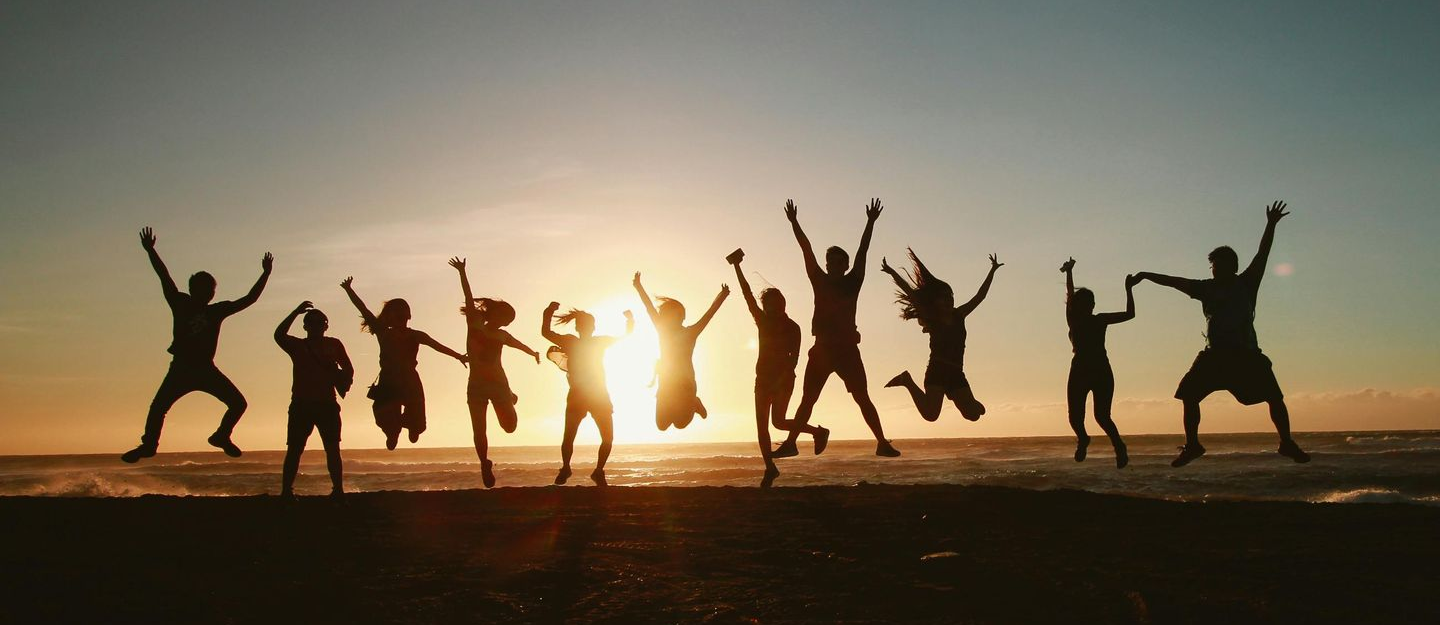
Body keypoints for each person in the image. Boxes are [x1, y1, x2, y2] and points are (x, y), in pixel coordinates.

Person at [1135, 200, 1310, 467]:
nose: (1214, 269)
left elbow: (1263, 253)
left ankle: (1286, 442)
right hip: (1214, 356)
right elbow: (1174, 281)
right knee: (1189, 395)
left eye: (1217, 265)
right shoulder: (1205, 287)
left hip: (1245, 354)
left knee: (1274, 397)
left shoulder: (1247, 283)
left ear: (1232, 266)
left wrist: (1270, 224)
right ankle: (1193, 445)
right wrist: (1147, 275)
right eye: (1213, 266)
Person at [122, 227, 272, 463]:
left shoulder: (217, 310)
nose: (208, 294)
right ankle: (149, 445)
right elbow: (164, 276)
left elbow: (249, 299)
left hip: (205, 369)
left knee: (238, 403)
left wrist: (266, 274)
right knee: (158, 407)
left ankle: (221, 436)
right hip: (181, 368)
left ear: (213, 293)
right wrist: (151, 251)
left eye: (210, 290)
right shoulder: (180, 302)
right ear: (193, 290)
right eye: (203, 289)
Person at [775, 199, 899, 458]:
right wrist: (794, 222)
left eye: (838, 261)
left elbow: (863, 252)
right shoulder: (818, 280)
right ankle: (791, 444)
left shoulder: (853, 282)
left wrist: (870, 222)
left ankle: (881, 442)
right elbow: (805, 249)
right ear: (827, 264)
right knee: (807, 400)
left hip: (846, 351)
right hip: (821, 349)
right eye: (830, 261)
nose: (833, 264)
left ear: (844, 265)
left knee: (862, 398)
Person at [729, 250, 827, 487]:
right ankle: (770, 469)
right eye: (770, 304)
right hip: (762, 379)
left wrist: (782, 378)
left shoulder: (793, 327)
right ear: (767, 306)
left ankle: (817, 432)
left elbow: (795, 359)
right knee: (762, 426)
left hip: (783, 380)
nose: (775, 307)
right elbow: (747, 295)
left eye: (778, 303)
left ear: (784, 303)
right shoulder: (762, 321)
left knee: (779, 422)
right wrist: (737, 267)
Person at [340, 277, 467, 450]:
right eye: (395, 312)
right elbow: (363, 309)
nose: (400, 316)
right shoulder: (383, 332)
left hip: (409, 380)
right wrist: (349, 290)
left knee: (418, 423)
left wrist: (458, 356)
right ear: (389, 317)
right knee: (386, 418)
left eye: (403, 311)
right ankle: (392, 432)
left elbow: (437, 346)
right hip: (388, 380)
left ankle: (412, 427)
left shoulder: (416, 335)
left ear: (409, 316)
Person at [448, 257, 541, 488]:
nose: (507, 324)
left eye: (509, 321)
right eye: (506, 319)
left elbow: (518, 344)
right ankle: (484, 464)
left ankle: (510, 397)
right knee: (479, 429)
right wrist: (462, 272)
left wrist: (533, 353)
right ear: (496, 314)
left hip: (499, 385)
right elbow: (469, 299)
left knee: (510, 427)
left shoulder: (502, 336)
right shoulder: (474, 325)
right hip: (476, 386)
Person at [881, 250, 1001, 423]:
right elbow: (911, 294)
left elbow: (979, 296)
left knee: (973, 415)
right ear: (934, 301)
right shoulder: (932, 318)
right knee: (931, 415)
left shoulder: (959, 314)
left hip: (956, 372)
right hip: (937, 370)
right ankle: (907, 381)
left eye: (950, 296)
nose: (949, 300)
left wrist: (993, 270)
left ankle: (964, 399)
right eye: (943, 297)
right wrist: (892, 272)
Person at [542, 302, 633, 486]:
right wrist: (630, 320)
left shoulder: (586, 341)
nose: (587, 328)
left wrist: (548, 312)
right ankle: (571, 468)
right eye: (586, 325)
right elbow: (627, 335)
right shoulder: (576, 341)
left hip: (595, 394)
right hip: (585, 394)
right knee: (577, 436)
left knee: (601, 437)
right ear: (586, 327)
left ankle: (594, 471)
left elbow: (626, 336)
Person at [1059, 258, 1135, 468]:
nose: (1087, 307)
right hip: (1080, 369)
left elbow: (1130, 314)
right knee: (1075, 417)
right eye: (1083, 303)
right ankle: (1083, 439)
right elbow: (1070, 294)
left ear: (1093, 306)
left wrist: (1128, 290)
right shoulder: (1073, 319)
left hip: (1101, 369)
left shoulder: (1100, 319)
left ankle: (1119, 446)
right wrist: (1069, 273)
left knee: (1102, 416)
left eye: (1090, 303)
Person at [274, 301, 354, 498]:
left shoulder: (334, 344)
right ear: (306, 326)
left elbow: (349, 369)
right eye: (313, 323)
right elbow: (278, 335)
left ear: (326, 326)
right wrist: (294, 312)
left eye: (321, 323)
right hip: (302, 403)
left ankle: (338, 490)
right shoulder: (298, 345)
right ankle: (286, 491)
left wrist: (340, 378)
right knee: (295, 449)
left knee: (332, 449)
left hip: (327, 403)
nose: (317, 326)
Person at [632, 272, 728, 431]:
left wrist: (722, 295)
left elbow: (709, 315)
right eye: (663, 315)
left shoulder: (690, 333)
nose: (664, 318)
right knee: (662, 425)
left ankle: (694, 402)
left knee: (680, 424)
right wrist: (638, 286)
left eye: (668, 315)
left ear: (680, 317)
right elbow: (649, 308)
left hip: (685, 385)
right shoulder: (662, 330)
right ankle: (691, 404)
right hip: (666, 383)